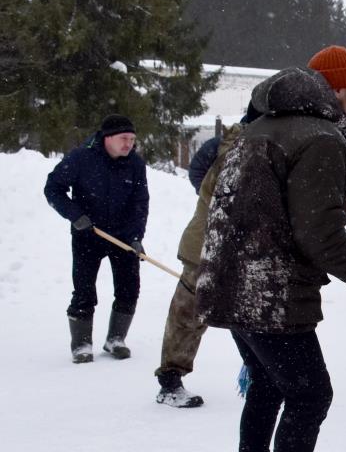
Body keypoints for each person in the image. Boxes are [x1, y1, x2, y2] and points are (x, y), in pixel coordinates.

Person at [196, 48, 346, 452]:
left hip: (230, 280)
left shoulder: (261, 128)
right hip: (271, 290)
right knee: (310, 395)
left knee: (266, 385)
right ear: (337, 90)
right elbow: (317, 232)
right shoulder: (320, 139)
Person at [153, 110, 261, 408]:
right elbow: (201, 177)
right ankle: (170, 382)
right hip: (205, 246)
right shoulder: (226, 145)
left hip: (240, 249)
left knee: (247, 313)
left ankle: (258, 374)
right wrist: (212, 201)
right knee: (189, 314)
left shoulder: (260, 144)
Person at [44, 114, 149, 364]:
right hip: (88, 234)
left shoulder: (135, 163)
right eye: (124, 138)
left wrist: (136, 236)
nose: (129, 144)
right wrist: (75, 216)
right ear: (108, 138)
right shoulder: (81, 158)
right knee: (84, 291)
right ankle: (81, 344)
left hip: (123, 237)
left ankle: (116, 340)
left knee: (129, 289)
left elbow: (140, 202)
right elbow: (53, 188)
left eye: (132, 139)